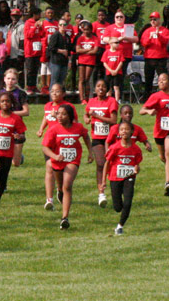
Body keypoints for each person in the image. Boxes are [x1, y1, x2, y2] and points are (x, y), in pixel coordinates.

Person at [41, 104, 90, 230]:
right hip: (57, 162)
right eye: (58, 114)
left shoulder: (78, 127)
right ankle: (60, 191)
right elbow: (45, 147)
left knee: (67, 185)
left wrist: (91, 152)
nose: (60, 117)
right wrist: (55, 156)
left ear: (70, 116)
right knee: (61, 186)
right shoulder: (53, 129)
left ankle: (64, 218)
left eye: (64, 114)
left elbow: (85, 136)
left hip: (72, 161)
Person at [101, 122, 143, 235]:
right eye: (122, 129)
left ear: (132, 132)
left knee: (128, 202)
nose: (124, 131)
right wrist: (103, 181)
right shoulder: (114, 147)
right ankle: (120, 214)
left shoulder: (136, 149)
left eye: (127, 129)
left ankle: (120, 226)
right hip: (115, 178)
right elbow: (107, 163)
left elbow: (137, 165)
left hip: (129, 178)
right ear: (119, 133)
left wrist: (136, 170)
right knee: (118, 207)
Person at [85, 79, 118, 207]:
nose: (100, 88)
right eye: (98, 86)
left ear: (107, 89)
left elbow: (113, 120)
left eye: (103, 86)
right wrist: (87, 118)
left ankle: (116, 188)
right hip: (97, 137)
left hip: (110, 137)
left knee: (112, 165)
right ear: (95, 89)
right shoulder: (91, 101)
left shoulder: (111, 102)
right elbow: (86, 114)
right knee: (100, 163)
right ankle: (101, 193)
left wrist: (97, 117)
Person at [140, 11, 169, 100]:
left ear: (159, 20)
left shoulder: (165, 30)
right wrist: (150, 38)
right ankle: (147, 96)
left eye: (155, 19)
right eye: (151, 20)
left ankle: (164, 94)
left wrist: (159, 36)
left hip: (161, 58)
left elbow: (167, 42)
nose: (152, 21)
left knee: (163, 78)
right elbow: (143, 43)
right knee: (148, 78)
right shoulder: (147, 31)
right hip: (149, 58)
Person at [75, 21, 100, 102]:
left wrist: (83, 51)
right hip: (81, 60)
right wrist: (88, 49)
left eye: (88, 30)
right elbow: (77, 50)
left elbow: (95, 51)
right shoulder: (80, 38)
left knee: (87, 79)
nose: (86, 31)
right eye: (85, 30)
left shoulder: (95, 38)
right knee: (81, 79)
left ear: (91, 30)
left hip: (90, 61)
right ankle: (82, 99)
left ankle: (87, 97)